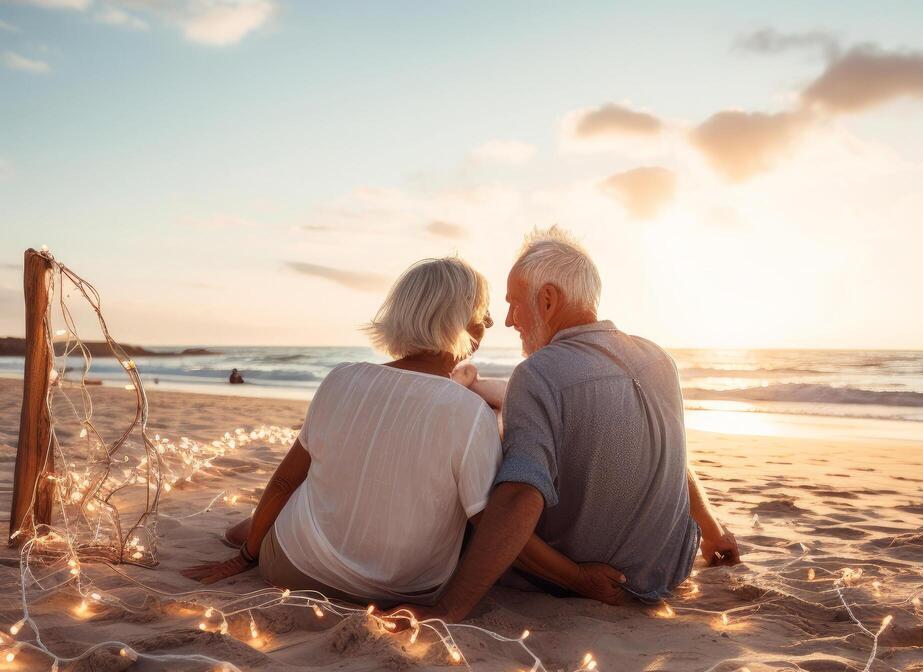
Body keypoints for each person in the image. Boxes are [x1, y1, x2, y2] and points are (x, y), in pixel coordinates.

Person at [182, 256, 625, 606]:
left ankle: (244, 535)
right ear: (461, 323)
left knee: (275, 511)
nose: (490, 324)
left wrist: (244, 559)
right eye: (484, 315)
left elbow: (283, 481)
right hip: (405, 591)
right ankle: (246, 532)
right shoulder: (468, 412)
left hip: (296, 569)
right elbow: (494, 527)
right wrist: (578, 577)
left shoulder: (340, 378)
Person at [386, 226, 739, 625]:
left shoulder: (537, 374)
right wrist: (712, 530)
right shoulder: (660, 359)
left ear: (549, 299)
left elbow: (520, 496)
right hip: (667, 573)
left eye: (514, 305)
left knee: (477, 479)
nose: (507, 320)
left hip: (591, 578)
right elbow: (676, 458)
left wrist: (450, 607)